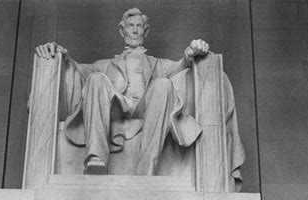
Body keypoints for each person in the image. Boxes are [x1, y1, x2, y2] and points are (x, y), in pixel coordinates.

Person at [36, 8, 209, 175]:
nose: (134, 30)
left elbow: (181, 66)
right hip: (117, 106)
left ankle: (147, 167)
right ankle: (96, 158)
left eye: (139, 26)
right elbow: (76, 69)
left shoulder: (158, 64)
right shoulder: (104, 65)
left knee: (163, 84)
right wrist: (60, 55)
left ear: (145, 31)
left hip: (147, 107)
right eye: (130, 26)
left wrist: (190, 53)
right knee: (96, 78)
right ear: (122, 30)